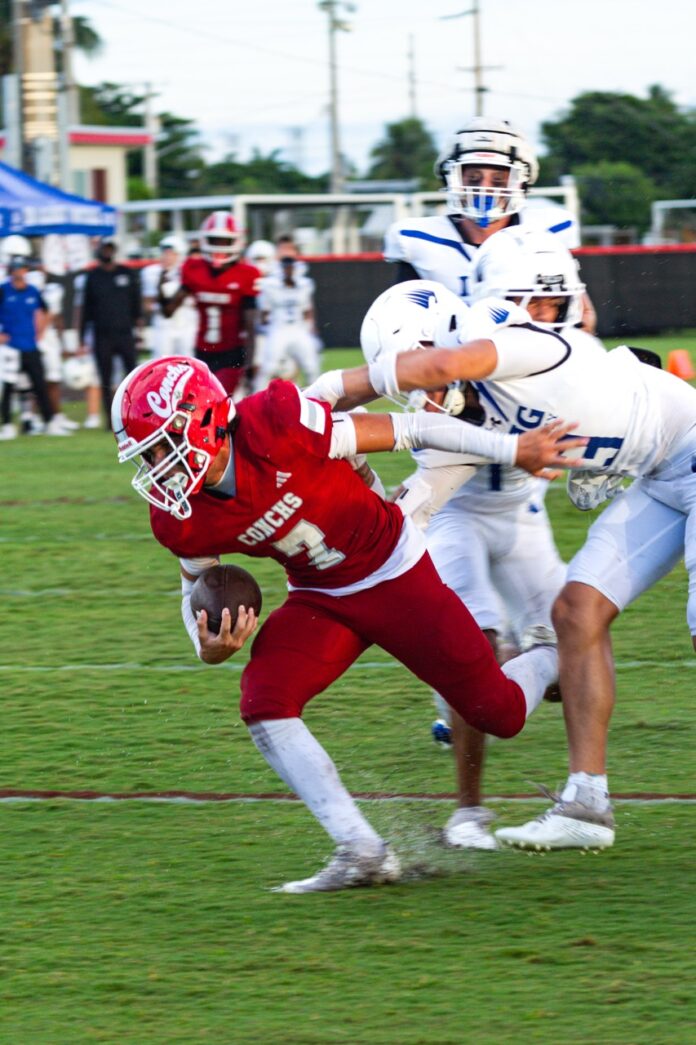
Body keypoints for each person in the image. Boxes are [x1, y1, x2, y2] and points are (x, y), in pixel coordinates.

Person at [111, 355, 584, 892]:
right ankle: (362, 851)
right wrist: (209, 648)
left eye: (161, 447)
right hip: (320, 595)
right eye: (147, 454)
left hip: (393, 571)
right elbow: (192, 589)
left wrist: (513, 449)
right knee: (264, 700)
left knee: (500, 713)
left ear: (204, 421)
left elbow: (409, 428)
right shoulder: (182, 513)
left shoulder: (276, 423)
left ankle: (553, 653)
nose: (158, 466)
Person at [326, 226, 696, 851]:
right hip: (660, 476)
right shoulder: (467, 412)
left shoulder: (510, 339)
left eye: (415, 381)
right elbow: (411, 512)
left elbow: (444, 366)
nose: (423, 398)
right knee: (575, 612)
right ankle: (586, 804)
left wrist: (335, 390)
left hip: (689, 448)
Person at [384, 116, 596, 331]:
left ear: (521, 183)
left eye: (499, 180)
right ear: (452, 179)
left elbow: (581, 318)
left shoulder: (547, 232)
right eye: (473, 179)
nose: (485, 189)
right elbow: (399, 328)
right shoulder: (418, 240)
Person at [161, 212, 260, 397]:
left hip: (232, 353)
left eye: (225, 241)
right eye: (215, 240)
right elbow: (168, 311)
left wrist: (249, 364)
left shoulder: (246, 273)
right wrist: (162, 285)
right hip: (202, 352)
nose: (219, 246)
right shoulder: (193, 269)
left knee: (216, 399)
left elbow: (250, 326)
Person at [0, 254, 70, 439]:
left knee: (40, 385)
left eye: (21, 268)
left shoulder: (32, 291)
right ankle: (7, 425)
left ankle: (50, 422)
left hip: (30, 345)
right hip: (11, 346)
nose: (19, 272)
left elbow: (43, 311)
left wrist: (39, 332)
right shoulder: (3, 290)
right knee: (8, 387)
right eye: (16, 268)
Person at [80, 237, 143, 427]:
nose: (107, 252)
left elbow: (136, 305)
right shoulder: (93, 277)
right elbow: (86, 309)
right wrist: (81, 338)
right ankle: (111, 420)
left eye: (110, 249)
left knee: (132, 377)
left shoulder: (126, 273)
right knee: (105, 378)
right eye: (104, 249)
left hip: (125, 333)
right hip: (102, 335)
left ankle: (136, 415)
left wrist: (139, 331)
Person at [255, 254, 320, 390]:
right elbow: (264, 314)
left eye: (291, 268)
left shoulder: (304, 285)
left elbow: (307, 310)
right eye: (286, 268)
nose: (288, 271)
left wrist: (310, 327)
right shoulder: (270, 286)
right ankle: (256, 395)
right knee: (269, 367)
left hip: (298, 329)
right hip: (279, 329)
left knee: (311, 366)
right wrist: (265, 330)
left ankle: (315, 398)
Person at [141, 235, 197, 359]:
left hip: (186, 322)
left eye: (171, 253)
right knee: (162, 359)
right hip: (163, 323)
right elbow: (147, 303)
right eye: (164, 253)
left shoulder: (189, 272)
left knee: (188, 359)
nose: (167, 257)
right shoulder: (152, 272)